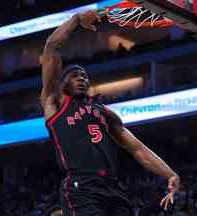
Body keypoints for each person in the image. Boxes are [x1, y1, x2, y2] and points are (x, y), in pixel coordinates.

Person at [40, 10, 180, 216]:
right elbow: (52, 46)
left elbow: (137, 149)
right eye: (74, 75)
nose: (81, 78)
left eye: (84, 76)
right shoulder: (55, 102)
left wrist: (170, 173)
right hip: (82, 186)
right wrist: (76, 20)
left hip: (113, 187)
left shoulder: (103, 112)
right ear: (62, 84)